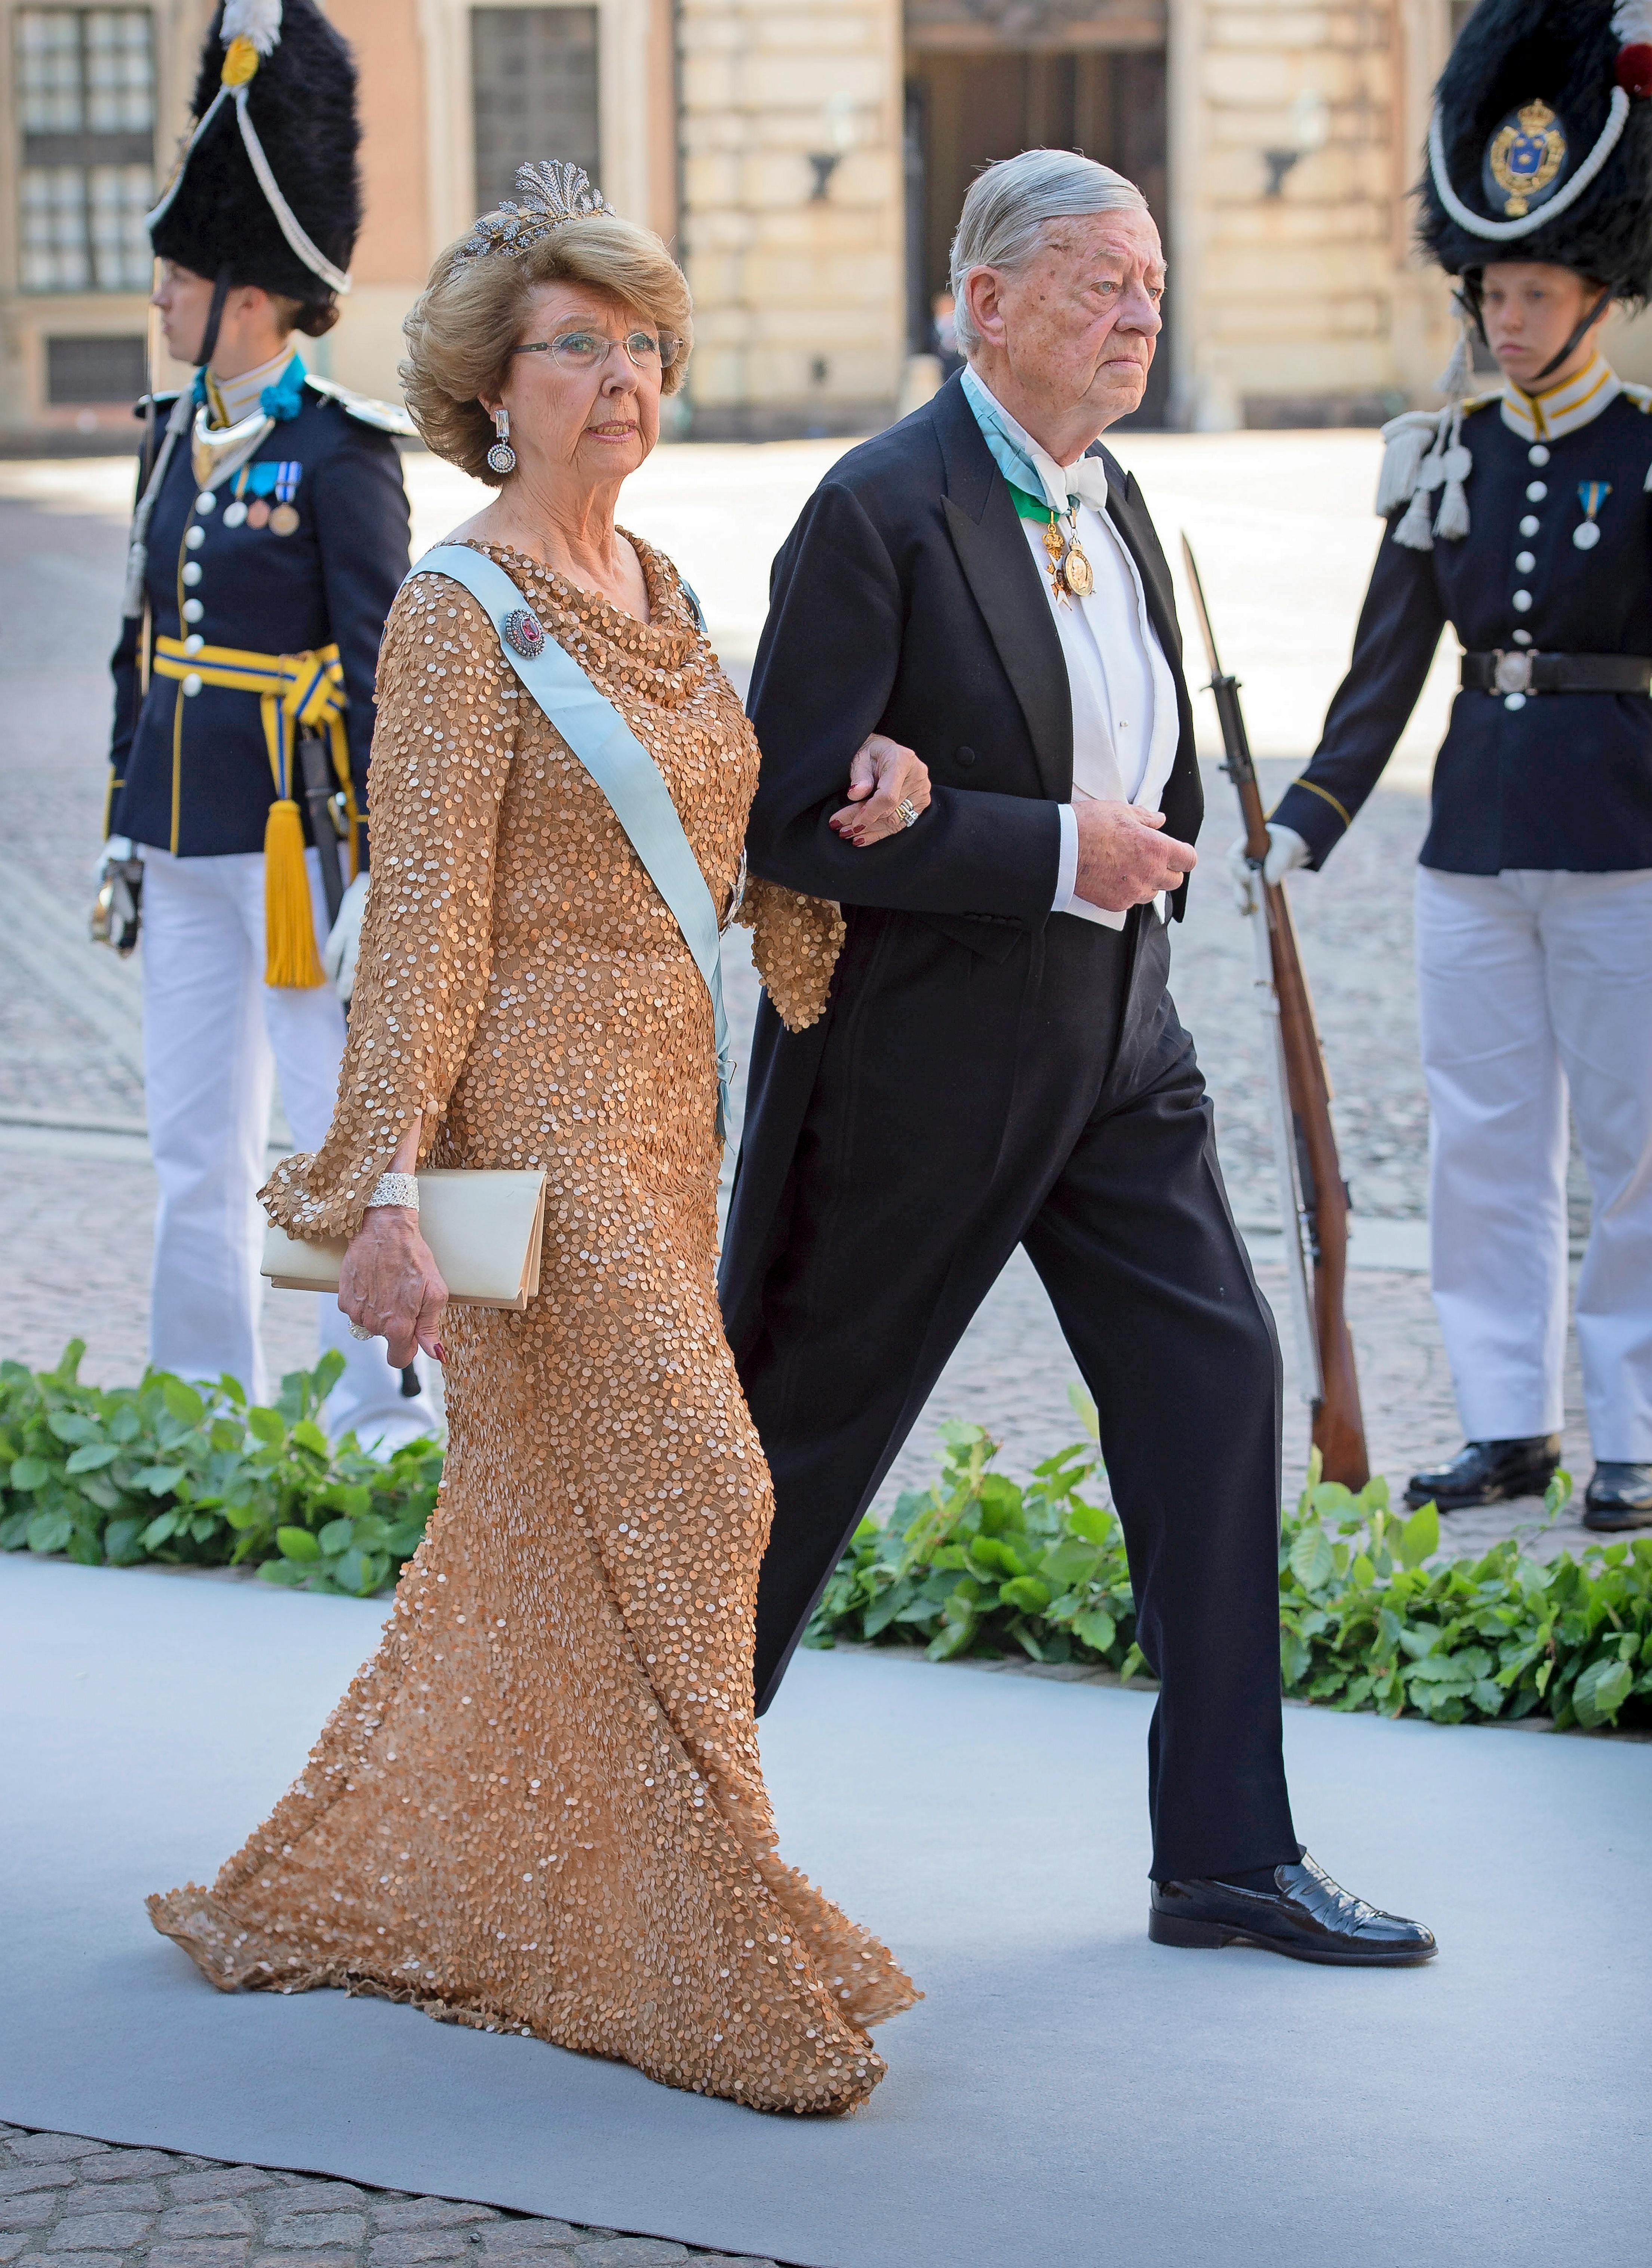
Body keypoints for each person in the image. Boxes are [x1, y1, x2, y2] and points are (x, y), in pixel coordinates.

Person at [148, 160, 924, 2113]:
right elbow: (425, 920)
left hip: (666, 1108)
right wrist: (384, 1196)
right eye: (575, 348)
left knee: (550, 1523)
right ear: (494, 387)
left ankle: (497, 1889)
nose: (619, 378)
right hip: (530, 1117)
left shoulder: (662, 589)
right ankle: (706, 1933)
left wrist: (862, 791)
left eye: (642, 344)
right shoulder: (454, 610)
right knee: (703, 1484)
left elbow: (722, 838)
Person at [719, 148, 1437, 1966]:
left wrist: (1110, 855)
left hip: (1121, 1044)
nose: (1140, 314)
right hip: (922, 1070)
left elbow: (1140, 765)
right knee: (796, 1442)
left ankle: (1225, 1852)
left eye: (1154, 284)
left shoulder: (1117, 498)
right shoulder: (876, 507)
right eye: (1103, 281)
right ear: (987, 303)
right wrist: (1047, 845)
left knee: (1217, 1382)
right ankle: (635, 1820)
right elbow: (782, 814)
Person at [1252, 0, 1652, 1531]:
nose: (1508, 317)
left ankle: (1632, 1430)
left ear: (1596, 293)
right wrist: (1306, 820)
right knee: (1483, 1141)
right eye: (1492, 291)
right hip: (1470, 839)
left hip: (1621, 832)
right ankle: (1507, 1423)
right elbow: (1384, 666)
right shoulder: (1444, 453)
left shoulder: (1643, 451)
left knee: (1630, 1147)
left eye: (1534, 291)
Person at [102, 0, 435, 1450]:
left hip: (305, 852)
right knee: (192, 1143)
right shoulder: (170, 434)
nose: (161, 302)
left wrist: (380, 865)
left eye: (179, 282)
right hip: (179, 837)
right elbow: (138, 641)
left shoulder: (340, 454)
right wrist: (121, 818)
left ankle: (368, 1408)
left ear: (248, 299)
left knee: (327, 1137)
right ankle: (197, 1405)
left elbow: (382, 677)